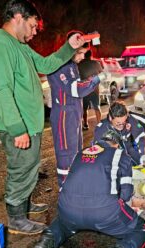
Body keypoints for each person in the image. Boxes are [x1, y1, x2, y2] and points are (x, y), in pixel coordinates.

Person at [0, 0, 87, 235]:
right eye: (33, 26)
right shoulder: (0, 43)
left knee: (31, 167)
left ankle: (24, 205)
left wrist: (68, 47)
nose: (34, 32)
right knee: (21, 170)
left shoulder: (19, 45)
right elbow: (0, 89)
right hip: (19, 125)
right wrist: (16, 127)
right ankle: (17, 220)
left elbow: (45, 64)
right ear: (19, 17)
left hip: (29, 124)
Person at [28, 130, 145, 248]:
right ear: (117, 144)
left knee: (62, 223)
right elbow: (125, 194)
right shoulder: (120, 154)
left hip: (68, 208)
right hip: (104, 212)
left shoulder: (81, 152)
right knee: (140, 229)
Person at [47, 31, 104, 188]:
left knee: (76, 153)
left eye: (83, 53)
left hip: (73, 113)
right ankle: (65, 190)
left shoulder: (71, 65)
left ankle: (75, 188)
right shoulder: (58, 63)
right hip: (64, 116)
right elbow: (75, 89)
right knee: (66, 155)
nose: (80, 58)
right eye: (79, 53)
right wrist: (97, 78)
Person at [94, 101, 145, 165]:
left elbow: (141, 137)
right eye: (118, 123)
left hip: (129, 151)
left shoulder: (130, 119)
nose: (121, 126)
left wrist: (144, 157)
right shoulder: (101, 129)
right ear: (110, 118)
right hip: (112, 159)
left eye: (124, 122)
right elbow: (98, 155)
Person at [78, 49, 103, 130]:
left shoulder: (79, 64)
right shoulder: (95, 63)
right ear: (91, 55)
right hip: (94, 88)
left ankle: (85, 124)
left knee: (84, 108)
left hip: (84, 89)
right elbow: (101, 73)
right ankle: (99, 124)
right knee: (97, 106)